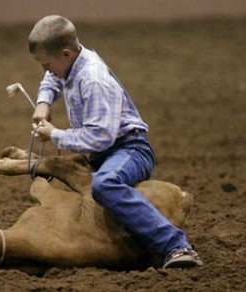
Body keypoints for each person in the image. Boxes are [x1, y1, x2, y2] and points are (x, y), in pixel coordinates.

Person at [28, 15, 203, 269]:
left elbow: (99, 137)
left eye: (46, 64)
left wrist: (55, 134)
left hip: (130, 149)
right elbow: (54, 78)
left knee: (104, 184)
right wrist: (44, 102)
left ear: (66, 54)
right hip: (106, 153)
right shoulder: (72, 62)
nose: (45, 71)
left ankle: (176, 246)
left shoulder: (93, 80)